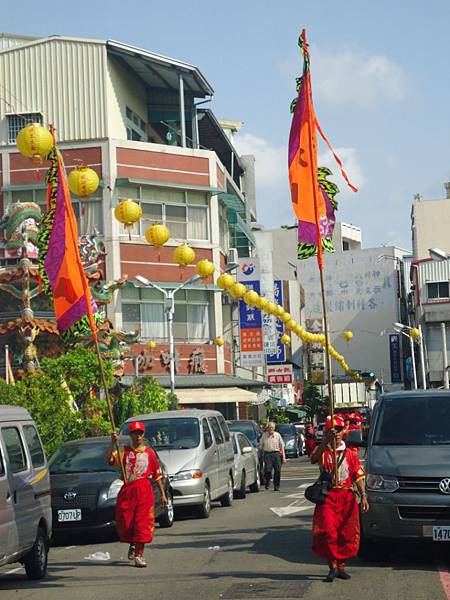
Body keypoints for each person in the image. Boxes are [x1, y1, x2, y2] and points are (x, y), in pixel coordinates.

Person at [310, 415, 369, 582]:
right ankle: (332, 566)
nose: (335, 434)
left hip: (347, 497)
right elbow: (313, 458)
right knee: (329, 531)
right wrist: (323, 442)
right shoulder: (323, 452)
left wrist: (363, 496)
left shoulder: (350, 453)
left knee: (346, 533)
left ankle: (341, 566)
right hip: (328, 497)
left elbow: (358, 476)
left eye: (337, 431)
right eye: (331, 431)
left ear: (343, 432)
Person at [107, 421, 168, 568]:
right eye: (135, 433)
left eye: (140, 433)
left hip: (144, 490)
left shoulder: (149, 453)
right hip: (128, 490)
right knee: (126, 522)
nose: (138, 436)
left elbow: (157, 475)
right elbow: (110, 460)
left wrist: (162, 494)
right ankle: (133, 543)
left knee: (142, 523)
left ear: (143, 434)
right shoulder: (123, 451)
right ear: (130, 435)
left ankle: (139, 555)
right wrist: (112, 443)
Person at [260, 421, 286, 491]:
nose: (271, 429)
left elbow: (282, 446)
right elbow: (261, 446)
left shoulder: (277, 435)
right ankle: (267, 482)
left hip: (276, 454)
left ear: (274, 428)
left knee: (278, 470)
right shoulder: (264, 435)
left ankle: (276, 486)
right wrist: (261, 456)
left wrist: (283, 457)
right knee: (268, 470)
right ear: (267, 428)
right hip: (267, 454)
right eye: (269, 427)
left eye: (272, 427)